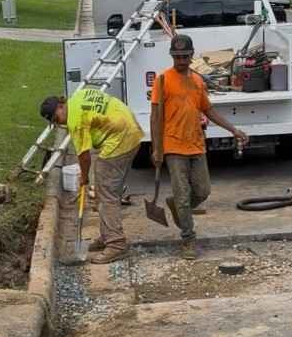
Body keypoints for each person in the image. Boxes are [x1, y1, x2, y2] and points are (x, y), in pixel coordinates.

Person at [150, 33, 248, 258]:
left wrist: (233, 130)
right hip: (173, 146)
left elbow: (208, 110)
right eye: (177, 57)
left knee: (203, 191)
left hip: (196, 144)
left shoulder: (197, 81)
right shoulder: (162, 80)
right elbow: (155, 117)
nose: (181, 61)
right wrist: (157, 148)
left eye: (185, 56)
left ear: (192, 56)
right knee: (183, 194)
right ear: (172, 56)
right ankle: (188, 239)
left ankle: (177, 205)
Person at [40, 89, 143, 264]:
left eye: (56, 119)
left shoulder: (75, 121)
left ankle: (116, 244)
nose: (58, 124)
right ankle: (107, 235)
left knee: (106, 193)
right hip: (130, 129)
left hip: (121, 139)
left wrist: (84, 178)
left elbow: (84, 156)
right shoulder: (78, 96)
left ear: (60, 106)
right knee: (105, 188)